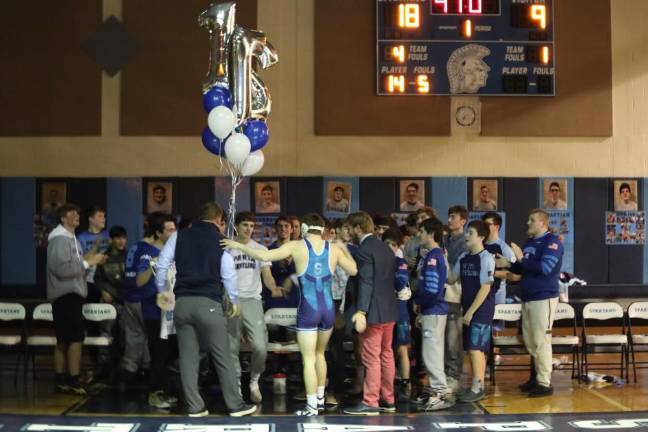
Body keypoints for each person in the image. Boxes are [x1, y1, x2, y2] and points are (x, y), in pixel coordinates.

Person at [222, 213, 358, 416]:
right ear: (322, 228)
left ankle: (312, 406)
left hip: (309, 309)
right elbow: (354, 270)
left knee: (309, 358)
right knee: (321, 354)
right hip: (328, 309)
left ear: (304, 228)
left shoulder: (296, 246)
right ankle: (320, 400)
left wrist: (238, 246)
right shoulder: (334, 248)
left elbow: (265, 256)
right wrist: (344, 248)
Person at [156, 202, 256, 417]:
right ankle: (235, 405)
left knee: (188, 357)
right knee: (223, 356)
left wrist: (162, 289)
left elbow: (162, 265)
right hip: (208, 304)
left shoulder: (178, 236)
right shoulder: (220, 240)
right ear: (219, 219)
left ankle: (194, 407)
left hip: (181, 304)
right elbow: (228, 273)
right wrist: (234, 299)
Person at [496, 209, 564, 398]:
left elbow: (544, 268)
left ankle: (544, 383)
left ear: (543, 223)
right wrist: (509, 264)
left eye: (531, 220)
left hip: (544, 297)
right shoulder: (530, 242)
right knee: (531, 341)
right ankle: (535, 378)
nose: (528, 223)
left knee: (541, 341)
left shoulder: (553, 242)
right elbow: (523, 268)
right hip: (528, 297)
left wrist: (521, 258)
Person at [343, 212, 398, 416]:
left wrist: (361, 310)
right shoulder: (386, 247)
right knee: (386, 354)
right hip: (389, 310)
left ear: (358, 228)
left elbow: (366, 282)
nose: (349, 232)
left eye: (350, 228)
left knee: (371, 357)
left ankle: (371, 401)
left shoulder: (364, 250)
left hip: (372, 311)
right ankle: (388, 399)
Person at [47, 204, 106, 395]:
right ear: (63, 219)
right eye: (73, 213)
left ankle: (62, 379)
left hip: (70, 294)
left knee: (65, 339)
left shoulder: (70, 238)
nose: (77, 216)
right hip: (66, 294)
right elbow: (62, 270)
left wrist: (92, 255)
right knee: (74, 338)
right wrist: (90, 262)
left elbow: (76, 264)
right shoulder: (60, 239)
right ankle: (73, 380)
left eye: (78, 212)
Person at [121, 212, 177, 409]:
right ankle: (153, 393)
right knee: (156, 352)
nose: (174, 232)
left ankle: (160, 390)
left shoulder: (168, 250)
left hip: (167, 308)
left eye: (174, 228)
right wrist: (154, 265)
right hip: (150, 307)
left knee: (165, 352)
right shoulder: (147, 252)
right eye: (170, 229)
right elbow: (138, 281)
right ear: (158, 232)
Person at [226, 212, 281, 404]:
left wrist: (273, 287)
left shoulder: (260, 248)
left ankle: (254, 381)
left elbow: (267, 274)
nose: (249, 229)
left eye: (251, 226)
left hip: (252, 301)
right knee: (231, 348)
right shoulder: (227, 248)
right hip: (231, 301)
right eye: (245, 225)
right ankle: (236, 387)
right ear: (236, 227)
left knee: (260, 346)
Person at [447, 220, 495, 403]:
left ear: (481, 237)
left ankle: (477, 387)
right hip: (468, 309)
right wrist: (441, 258)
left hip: (481, 310)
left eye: (471, 233)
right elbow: (451, 279)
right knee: (475, 350)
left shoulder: (486, 258)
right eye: (467, 232)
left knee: (475, 349)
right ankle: (478, 385)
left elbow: (485, 288)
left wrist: (470, 313)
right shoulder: (464, 257)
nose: (466, 236)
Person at [412, 219, 455, 411]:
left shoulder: (433, 257)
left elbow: (431, 290)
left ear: (430, 234)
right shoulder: (433, 255)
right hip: (432, 311)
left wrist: (419, 303)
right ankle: (436, 390)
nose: (418, 235)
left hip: (434, 311)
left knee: (432, 354)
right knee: (430, 353)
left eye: (421, 231)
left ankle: (441, 393)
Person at [381, 228, 414, 404]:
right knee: (385, 350)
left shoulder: (400, 262)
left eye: (394, 245)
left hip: (400, 311)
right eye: (387, 244)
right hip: (383, 311)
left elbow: (401, 283)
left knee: (401, 349)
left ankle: (405, 384)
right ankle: (387, 384)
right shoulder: (377, 262)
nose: (391, 248)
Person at [481, 212, 516, 365]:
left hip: (497, 292)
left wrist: (494, 273)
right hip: (479, 293)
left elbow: (513, 274)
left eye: (488, 224)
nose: (485, 228)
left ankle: (492, 359)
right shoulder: (479, 245)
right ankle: (482, 357)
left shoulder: (504, 248)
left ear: (497, 227)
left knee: (494, 327)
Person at [94, 225, 128, 380]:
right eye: (118, 238)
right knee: (105, 334)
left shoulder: (129, 256)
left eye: (123, 238)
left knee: (125, 335)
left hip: (125, 300)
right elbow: (97, 278)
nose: (121, 241)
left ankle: (123, 368)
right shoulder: (104, 256)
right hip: (108, 301)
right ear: (112, 240)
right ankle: (103, 368)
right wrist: (103, 290)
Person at [444, 205, 468, 393]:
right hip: (440, 294)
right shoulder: (444, 239)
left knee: (453, 340)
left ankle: (454, 376)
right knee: (442, 339)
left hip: (455, 293)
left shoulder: (465, 242)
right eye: (449, 216)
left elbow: (453, 271)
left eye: (454, 217)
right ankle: (445, 374)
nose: (450, 220)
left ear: (463, 221)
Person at [77, 206, 110, 303]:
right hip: (88, 282)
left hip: (107, 282)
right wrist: (95, 248)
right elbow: (79, 260)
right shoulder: (81, 237)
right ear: (91, 219)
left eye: (104, 216)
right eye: (100, 216)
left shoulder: (108, 235)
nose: (104, 219)